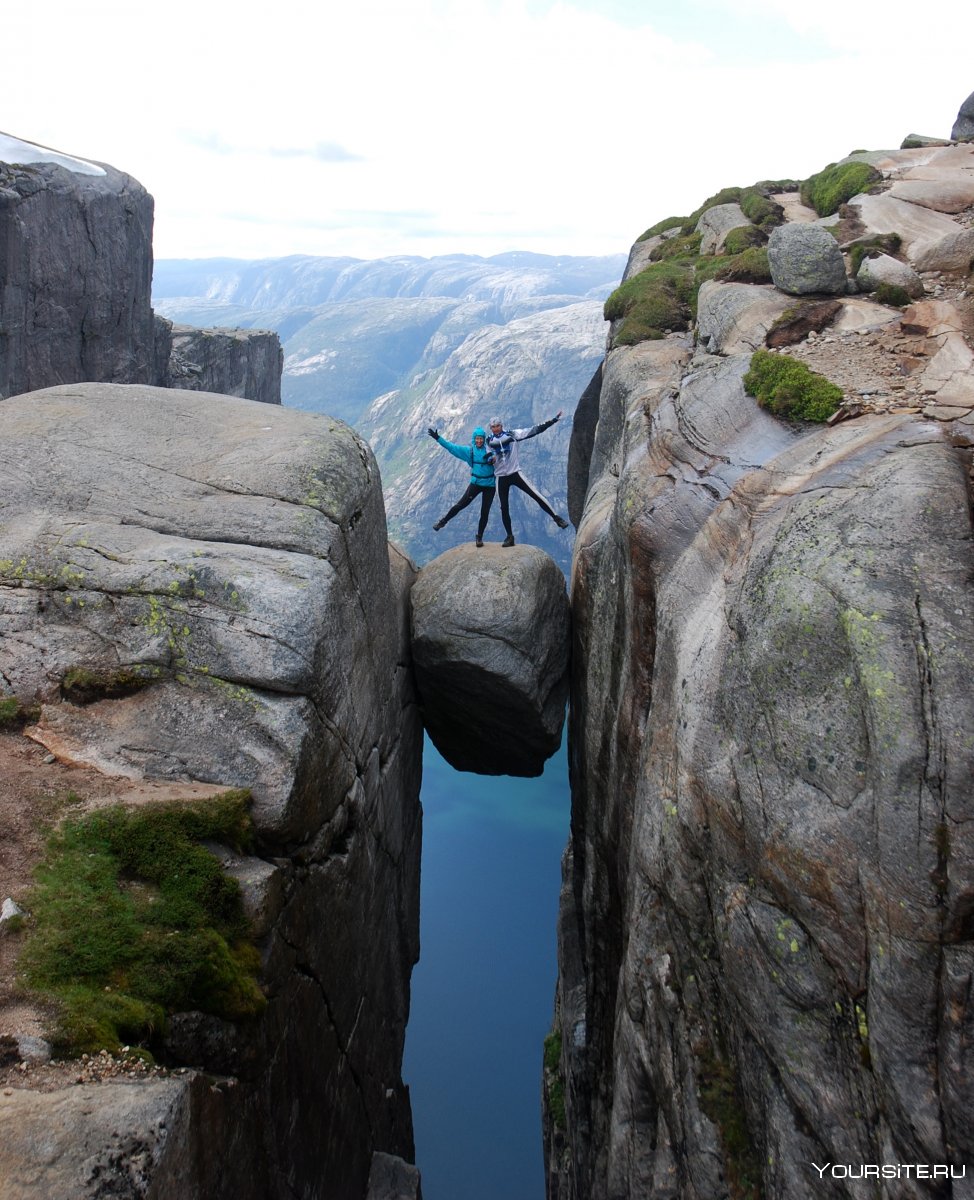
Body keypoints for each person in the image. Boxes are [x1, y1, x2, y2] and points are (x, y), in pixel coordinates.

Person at [484, 411, 570, 547]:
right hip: (501, 477)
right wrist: (491, 459)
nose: (495, 428)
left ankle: (556, 518)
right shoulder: (489, 440)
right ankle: (510, 536)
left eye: (497, 426)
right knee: (503, 507)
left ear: (502, 425)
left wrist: (553, 420)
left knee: (535, 494)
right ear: (490, 428)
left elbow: (534, 430)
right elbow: (487, 455)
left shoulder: (512, 435)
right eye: (493, 427)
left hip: (515, 473)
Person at [428, 425, 496, 547]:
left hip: (490, 486)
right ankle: (443, 522)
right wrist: (438, 438)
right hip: (476, 484)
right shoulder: (470, 452)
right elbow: (452, 448)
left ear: (484, 439)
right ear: (474, 439)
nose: (479, 441)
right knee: (460, 505)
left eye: (481, 438)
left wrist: (493, 459)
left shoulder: (490, 450)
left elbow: (500, 457)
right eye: (477, 438)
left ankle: (479, 537)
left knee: (485, 512)